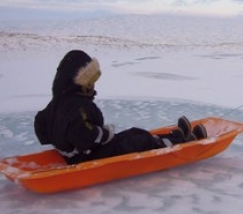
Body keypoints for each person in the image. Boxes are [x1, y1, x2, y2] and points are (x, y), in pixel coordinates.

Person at [34, 50, 207, 165]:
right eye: (90, 82)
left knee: (135, 133)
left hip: (90, 151)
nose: (93, 87)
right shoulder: (78, 107)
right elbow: (85, 136)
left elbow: (41, 125)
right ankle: (183, 145)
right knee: (140, 141)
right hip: (89, 156)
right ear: (79, 82)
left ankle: (175, 136)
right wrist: (105, 133)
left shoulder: (58, 103)